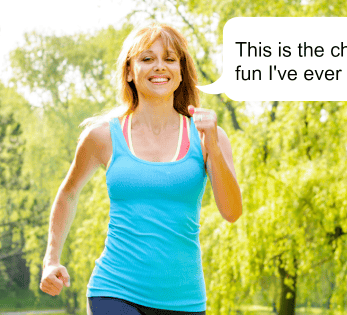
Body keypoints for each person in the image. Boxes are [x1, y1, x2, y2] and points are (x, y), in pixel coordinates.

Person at [39, 23, 242, 315]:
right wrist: (51, 261)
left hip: (184, 299)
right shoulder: (102, 136)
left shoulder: (208, 135)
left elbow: (232, 212)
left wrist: (213, 146)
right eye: (147, 59)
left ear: (181, 71)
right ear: (130, 71)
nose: (159, 66)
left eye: (170, 59)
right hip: (114, 290)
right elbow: (69, 193)